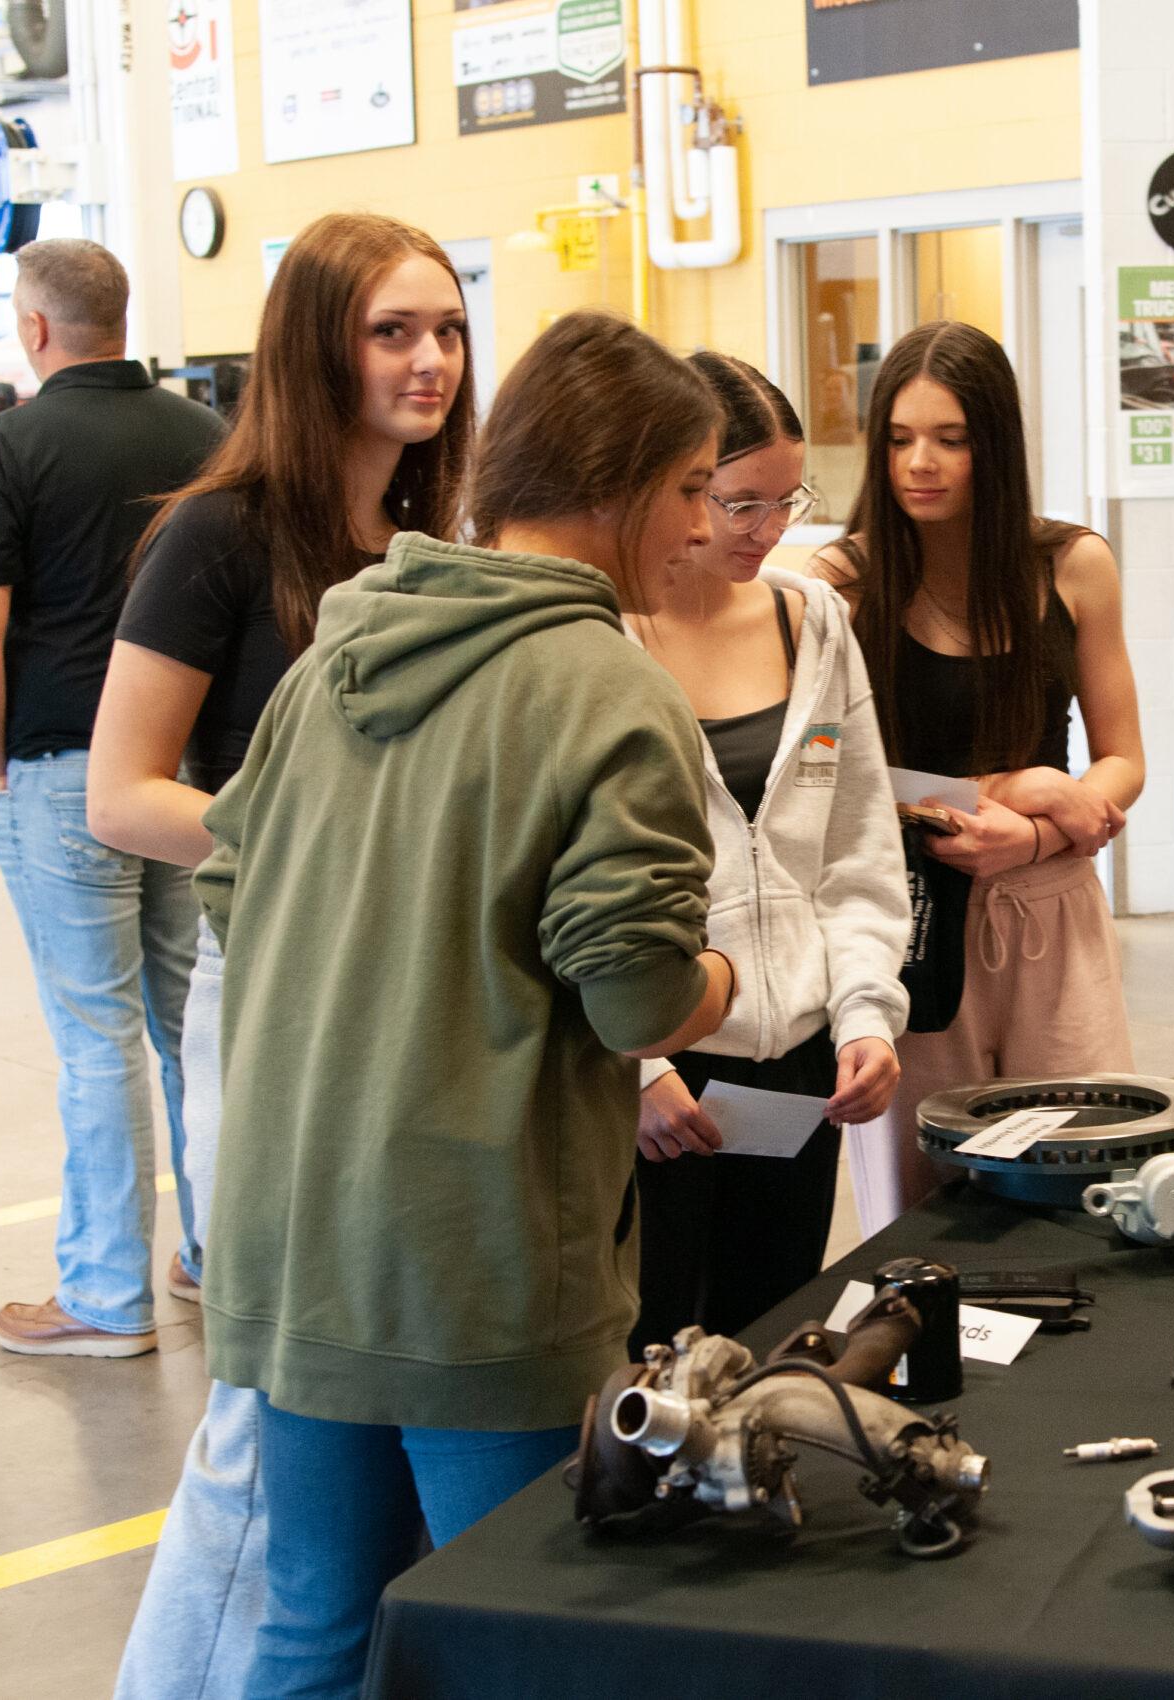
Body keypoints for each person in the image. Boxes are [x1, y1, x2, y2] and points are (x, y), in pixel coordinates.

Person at [197, 310, 733, 1699]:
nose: (703, 527)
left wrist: (377, 977)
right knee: (517, 1641)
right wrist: (729, 979)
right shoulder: (610, 689)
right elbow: (635, 1001)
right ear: (614, 485)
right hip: (473, 1257)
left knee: (315, 1623)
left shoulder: (338, 650)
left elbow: (229, 882)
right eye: (690, 488)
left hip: (299, 1223)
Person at [88, 212, 475, 1700]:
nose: (431, 359)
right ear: (317, 346)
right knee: (264, 1418)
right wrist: (327, 850)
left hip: (417, 1002)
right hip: (271, 997)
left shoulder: (443, 540)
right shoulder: (221, 534)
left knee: (370, 1416)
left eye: (447, 328)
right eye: (393, 331)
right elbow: (123, 791)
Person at [0, 238, 226, 1359]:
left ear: (35, 327)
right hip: (183, 780)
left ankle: (104, 1295)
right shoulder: (203, 436)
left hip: (63, 771)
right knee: (190, 1024)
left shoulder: (10, 444)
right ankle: (216, 1257)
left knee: (95, 1038)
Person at [812, 320, 1145, 1232]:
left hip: (1054, 910)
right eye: (899, 439)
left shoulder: (1073, 564)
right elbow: (823, 777)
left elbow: (1123, 759)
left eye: (950, 439)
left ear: (993, 444)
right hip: (910, 915)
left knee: (1082, 1175)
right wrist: (1011, 789)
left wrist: (1033, 834)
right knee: (923, 1199)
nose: (920, 463)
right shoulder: (839, 584)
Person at [628, 351, 909, 1349]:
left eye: (788, 500)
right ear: (675, 487)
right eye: (741, 503)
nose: (770, 528)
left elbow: (858, 854)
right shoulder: (601, 632)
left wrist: (864, 1014)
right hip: (657, 1066)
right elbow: (543, 889)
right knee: (645, 1355)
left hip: (794, 1074)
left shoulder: (813, 620)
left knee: (767, 1344)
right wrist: (632, 1071)